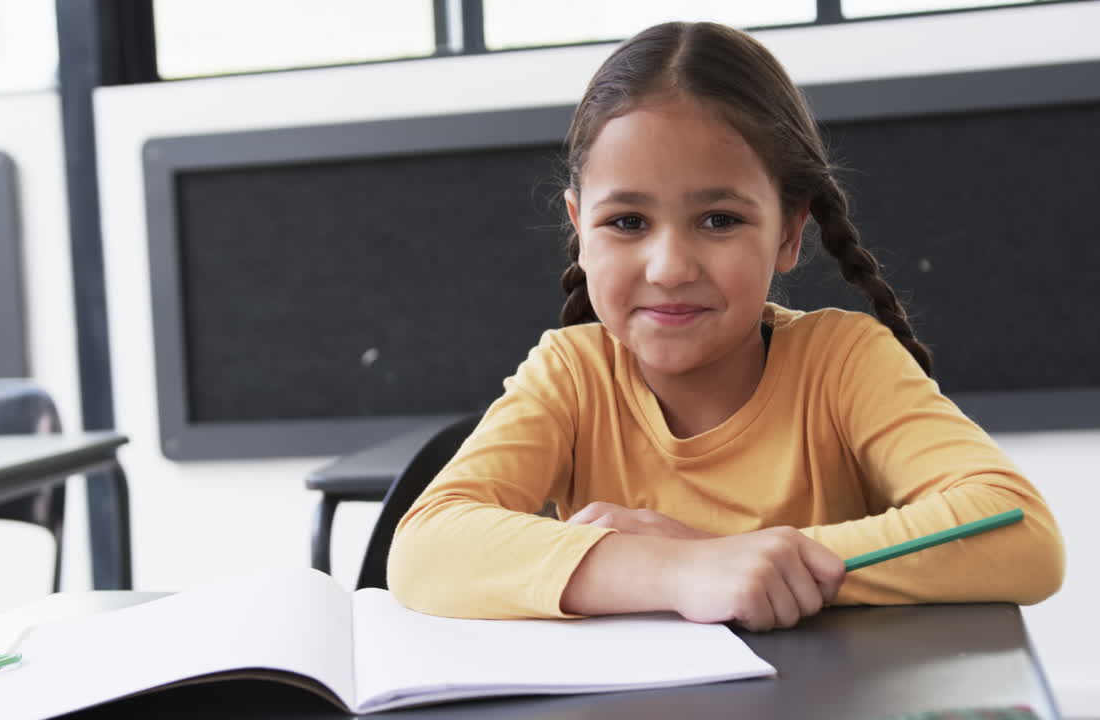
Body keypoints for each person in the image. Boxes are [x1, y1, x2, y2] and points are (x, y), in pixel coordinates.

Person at [387, 21, 1064, 631]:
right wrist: (679, 572)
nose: (671, 266)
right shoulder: (571, 374)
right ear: (580, 229)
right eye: (627, 222)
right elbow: (426, 548)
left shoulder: (844, 360)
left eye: (720, 220)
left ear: (789, 232)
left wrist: (730, 562)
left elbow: (1018, 530)